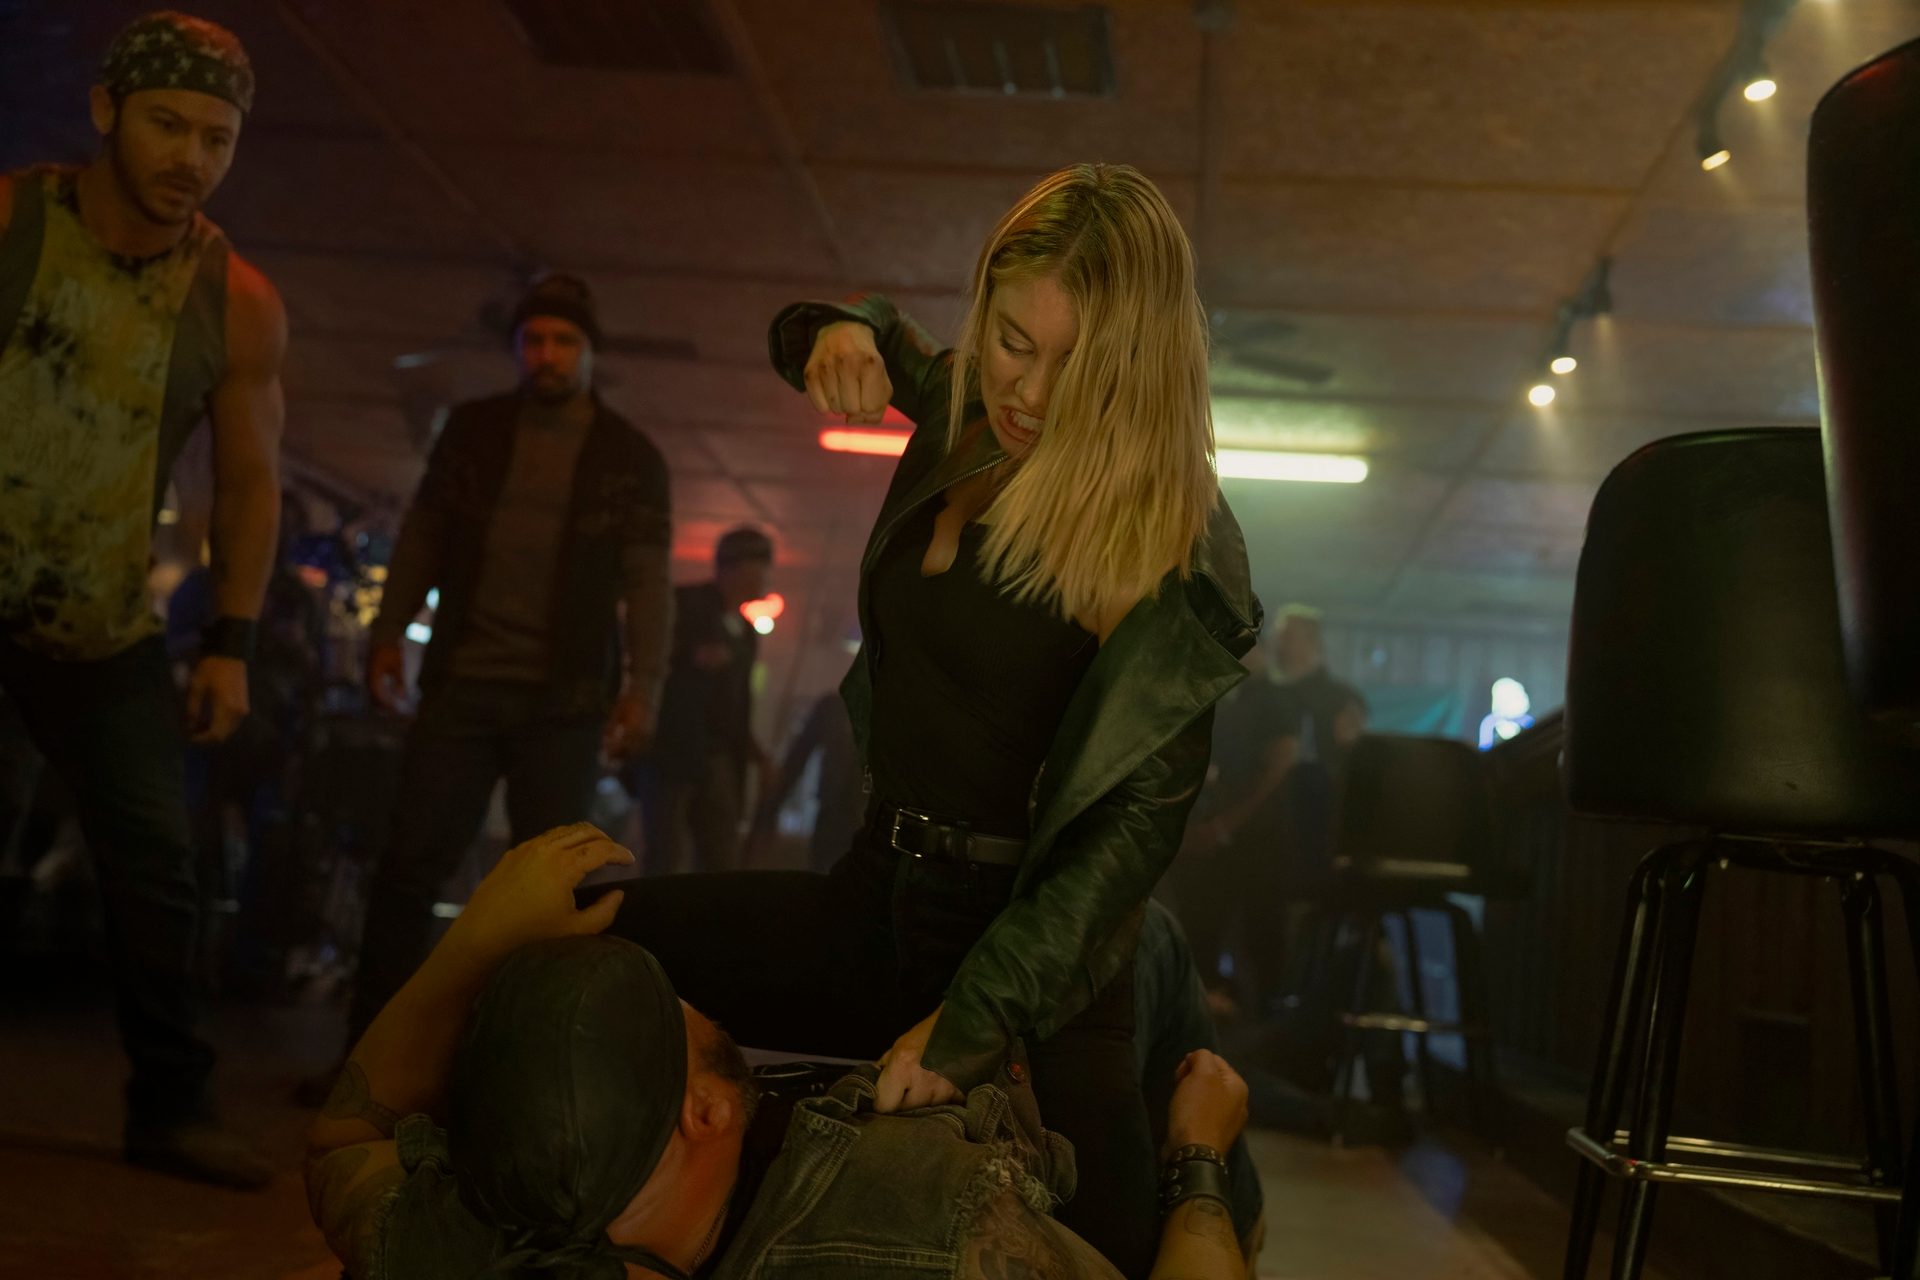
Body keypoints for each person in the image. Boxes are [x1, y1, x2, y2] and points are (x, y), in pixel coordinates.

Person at [605, 162, 1261, 1277]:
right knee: (590, 934)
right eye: (1013, 342)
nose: (1031, 393)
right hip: (876, 893)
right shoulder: (963, 406)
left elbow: (1126, 842)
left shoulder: (1172, 537)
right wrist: (841, 330)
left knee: (1108, 1256)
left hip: (1037, 962)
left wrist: (975, 1021)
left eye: (1078, 366)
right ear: (985, 306)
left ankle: (1199, 1154)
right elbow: (843, 331)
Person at [305, 825, 1257, 1280]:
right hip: (1013, 1097)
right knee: (1137, 934)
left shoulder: (463, 1241)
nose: (686, 996)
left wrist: (478, 944)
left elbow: (345, 1139)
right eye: (670, 1017)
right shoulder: (935, 1224)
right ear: (707, 1109)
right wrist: (1200, 1159)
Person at [0, 10, 285, 1187]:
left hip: (102, 624)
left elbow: (251, 480)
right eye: (169, 124)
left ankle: (172, 1107)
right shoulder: (14, 222)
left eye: (218, 138)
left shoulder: (235, 294)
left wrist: (230, 640)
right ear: (106, 110)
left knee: (160, 867)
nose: (192, 157)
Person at [344, 272, 673, 1049]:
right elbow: (423, 536)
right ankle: (370, 1052)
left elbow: (647, 582)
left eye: (563, 341)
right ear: (517, 348)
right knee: (408, 868)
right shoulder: (473, 431)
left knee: (551, 893)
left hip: (563, 702)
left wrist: (644, 688)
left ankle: (522, 1060)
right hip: (463, 683)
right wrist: (388, 633)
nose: (547, 355)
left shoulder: (629, 456)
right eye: (534, 341)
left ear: (589, 353)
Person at [1168, 624, 1296, 1001]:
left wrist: (1226, 824)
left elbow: (1280, 763)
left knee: (1261, 931)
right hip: (1210, 838)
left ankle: (1265, 1012)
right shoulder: (1217, 697)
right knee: (1201, 929)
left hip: (1255, 841)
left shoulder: (1275, 700)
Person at [638, 526, 774, 875]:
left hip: (718, 758)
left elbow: (735, 707)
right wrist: (688, 656)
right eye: (759, 566)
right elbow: (648, 653)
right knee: (665, 856)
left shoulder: (745, 631)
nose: (764, 577)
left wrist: (757, 755)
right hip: (672, 754)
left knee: (720, 858)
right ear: (735, 568)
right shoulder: (684, 604)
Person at [744, 689, 862, 873]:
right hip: (837, 821)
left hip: (852, 822)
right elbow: (795, 762)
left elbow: (796, 761)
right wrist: (767, 817)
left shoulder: (837, 708)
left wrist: (767, 816)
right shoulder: (836, 707)